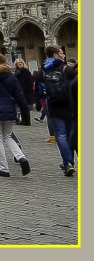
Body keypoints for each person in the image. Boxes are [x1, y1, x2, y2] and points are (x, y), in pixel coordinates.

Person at [32, 45, 77, 176]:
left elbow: (38, 91)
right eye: (62, 53)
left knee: (61, 135)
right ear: (56, 55)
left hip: (53, 106)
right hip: (70, 106)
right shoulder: (67, 69)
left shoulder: (42, 71)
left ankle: (68, 162)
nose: (64, 55)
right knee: (72, 134)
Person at [13, 59, 35, 125]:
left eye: (21, 62)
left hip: (26, 91)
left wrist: (24, 89)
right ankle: (23, 120)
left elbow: (29, 82)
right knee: (21, 106)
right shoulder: (16, 72)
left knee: (26, 106)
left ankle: (27, 121)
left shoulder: (26, 71)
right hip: (19, 91)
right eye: (18, 63)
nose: (20, 64)